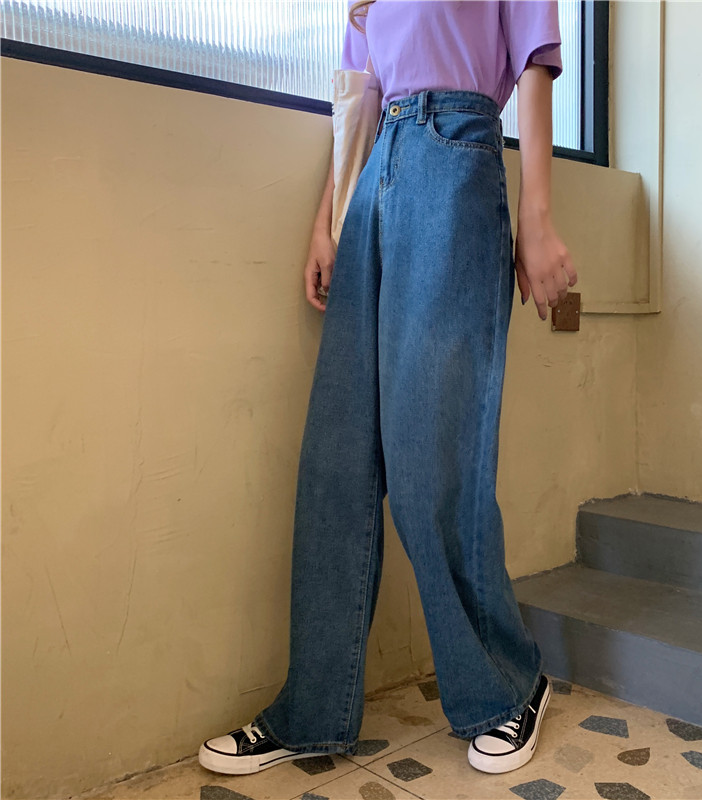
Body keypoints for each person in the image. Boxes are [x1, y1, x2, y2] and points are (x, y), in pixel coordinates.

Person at [199, 0, 577, 778]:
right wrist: (327, 220)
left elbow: (534, 57)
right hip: (374, 177)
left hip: (456, 160)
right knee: (336, 464)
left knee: (430, 464)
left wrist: (537, 216)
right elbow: (359, 98)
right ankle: (312, 708)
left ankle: (507, 685)